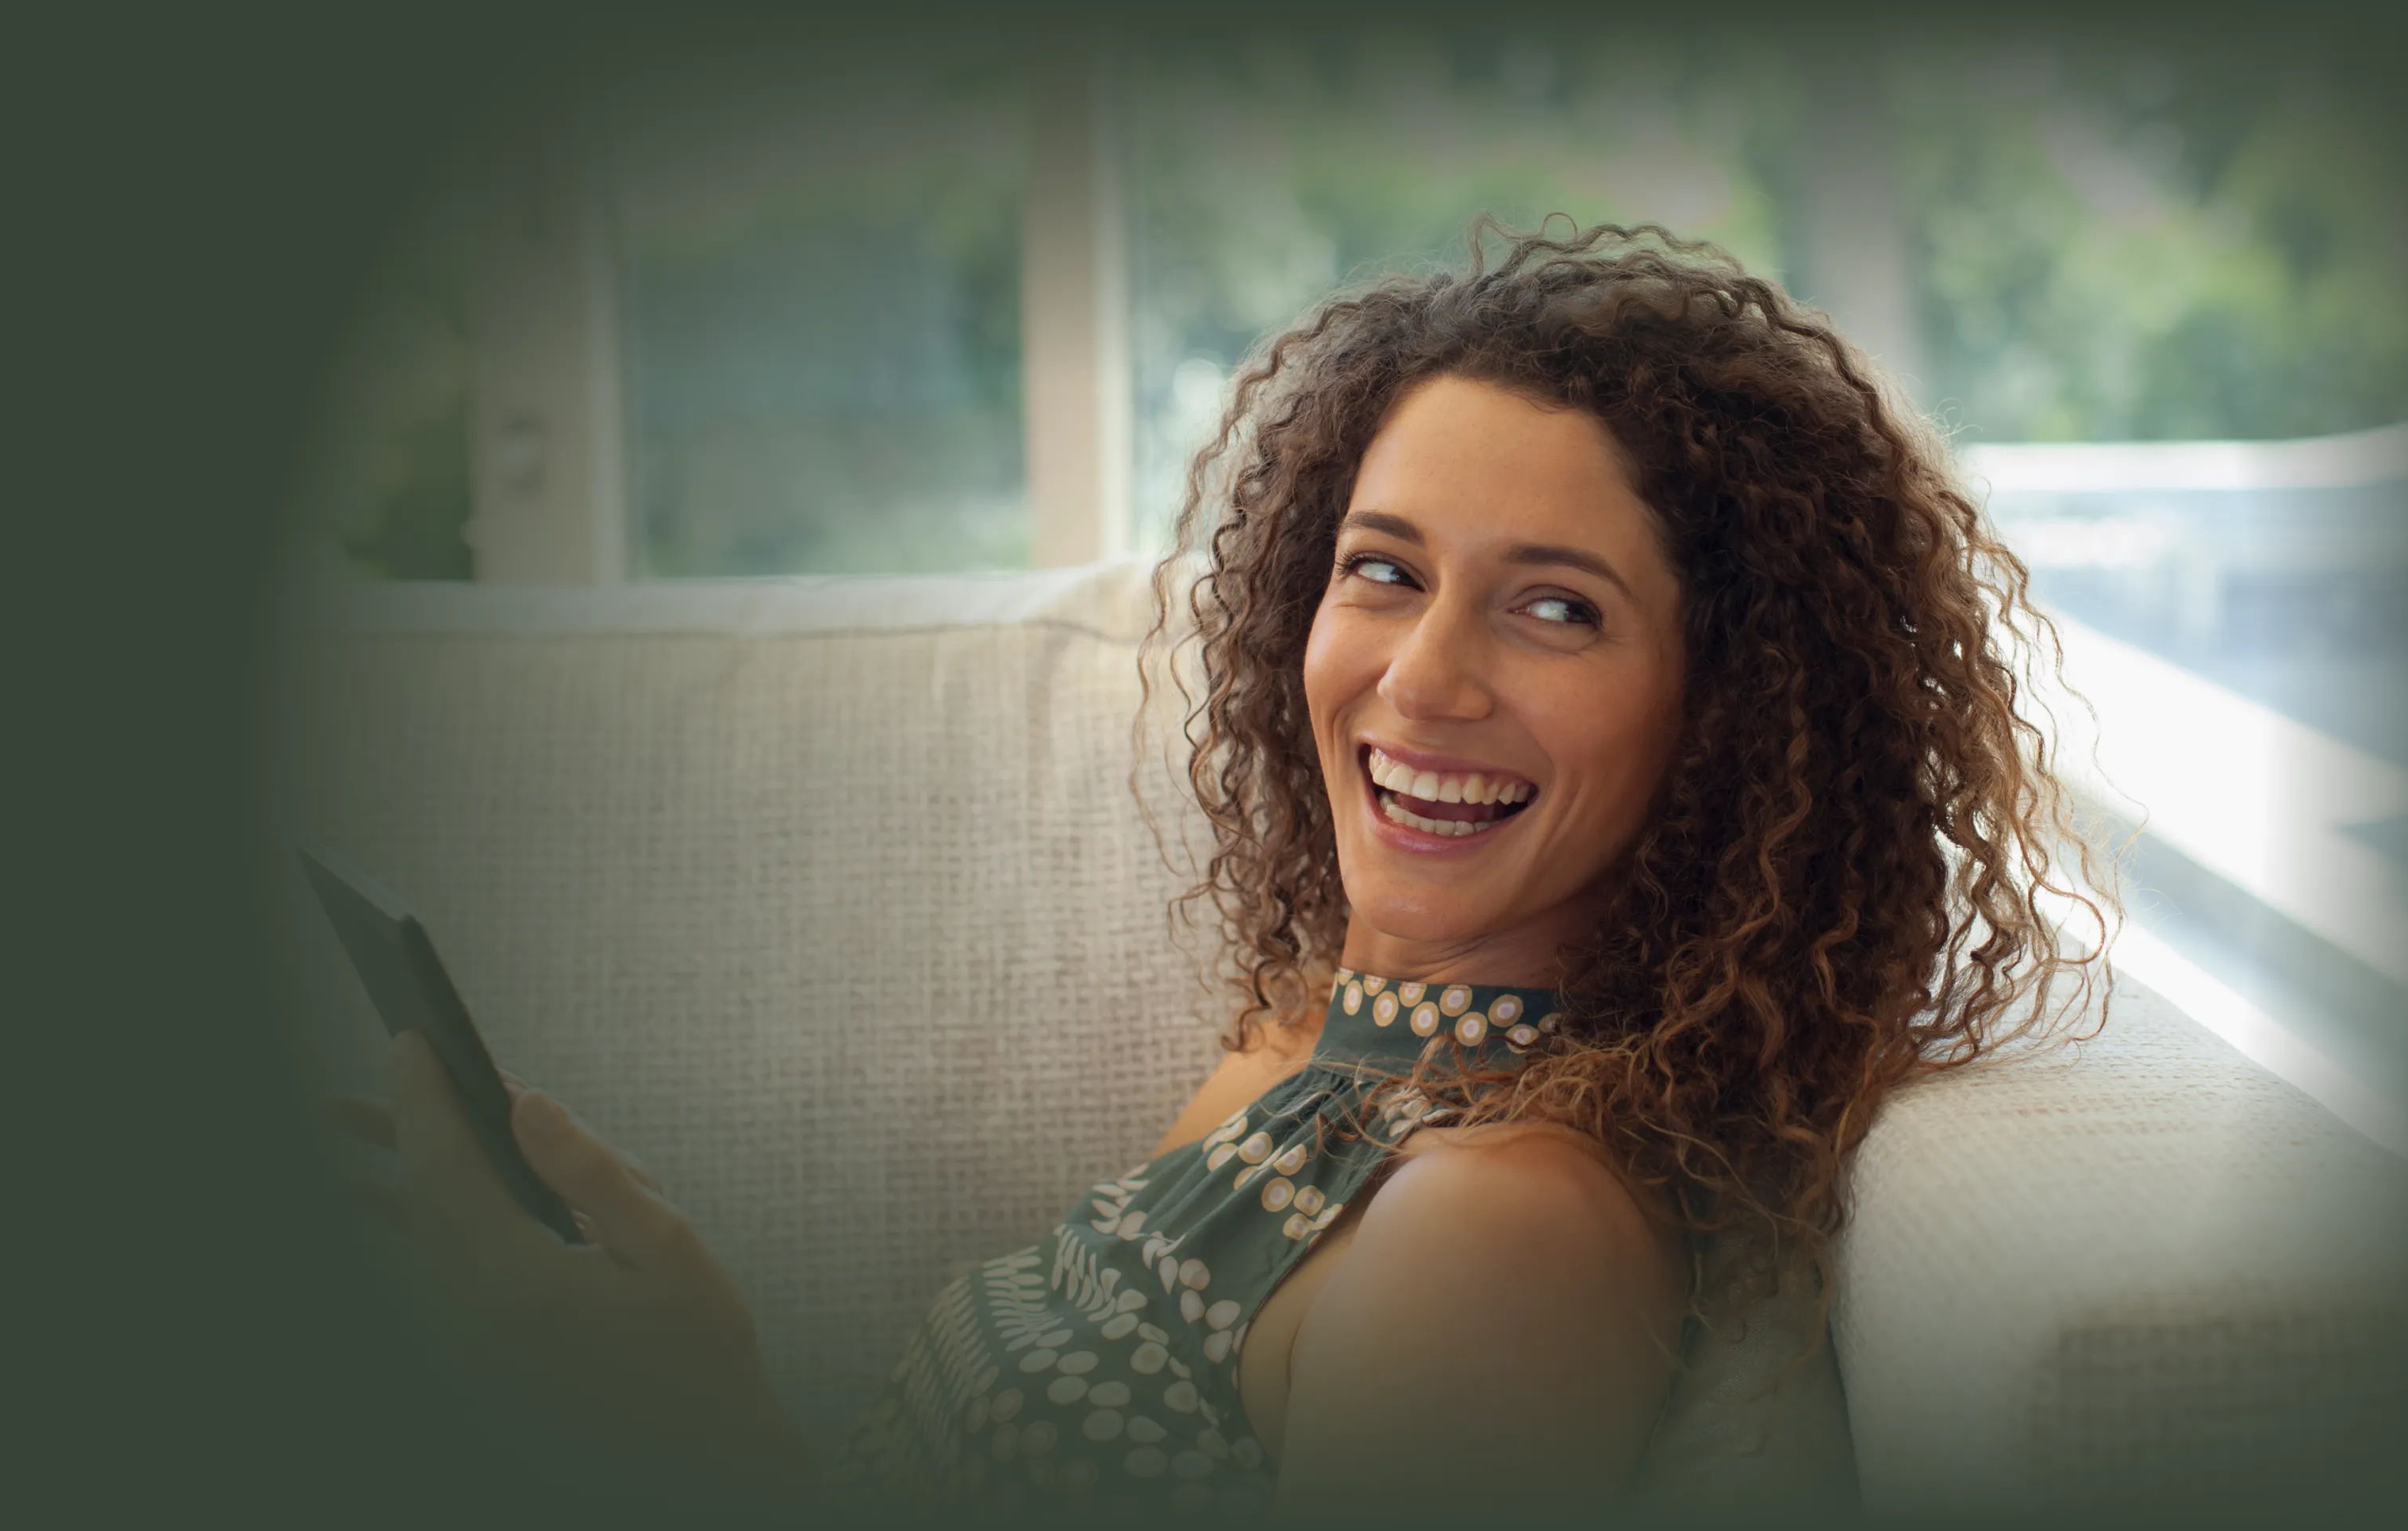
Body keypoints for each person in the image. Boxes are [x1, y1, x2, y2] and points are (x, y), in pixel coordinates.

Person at [340, 222, 2101, 1519]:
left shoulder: (1503, 1225)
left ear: (1728, 715)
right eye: (1386, 570)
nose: (1420, 681)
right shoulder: (1323, 1059)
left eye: (1557, 605)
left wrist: (691, 1433)